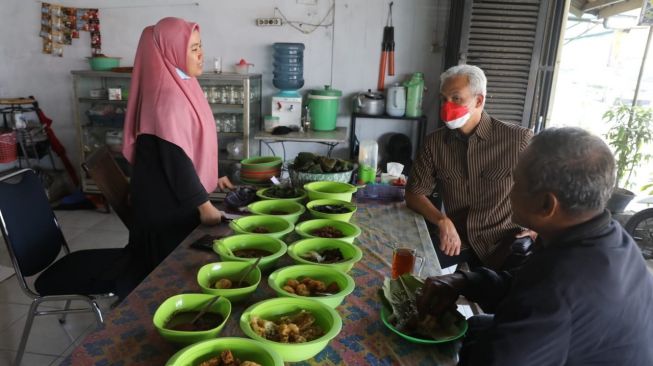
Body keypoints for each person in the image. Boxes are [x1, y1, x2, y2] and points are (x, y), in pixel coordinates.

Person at [417, 127, 653, 365]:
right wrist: (464, 281)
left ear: (546, 204)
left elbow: (503, 356)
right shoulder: (606, 236)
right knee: (476, 326)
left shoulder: (561, 289)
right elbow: (525, 286)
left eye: (516, 181)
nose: (509, 191)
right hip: (577, 344)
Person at [120, 17, 233, 292]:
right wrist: (205, 206)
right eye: (192, 48)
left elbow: (192, 139)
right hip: (164, 214)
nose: (201, 54)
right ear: (171, 50)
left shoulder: (183, 83)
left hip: (173, 197)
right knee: (174, 280)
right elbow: (176, 159)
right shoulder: (166, 98)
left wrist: (211, 172)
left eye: (200, 46)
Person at [406, 64, 533, 270]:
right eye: (444, 99)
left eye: (456, 98)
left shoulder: (517, 140)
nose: (447, 106)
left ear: (479, 100)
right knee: (409, 266)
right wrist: (442, 221)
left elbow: (549, 188)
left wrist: (539, 230)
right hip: (459, 239)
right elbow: (414, 194)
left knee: (505, 296)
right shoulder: (434, 143)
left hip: (505, 242)